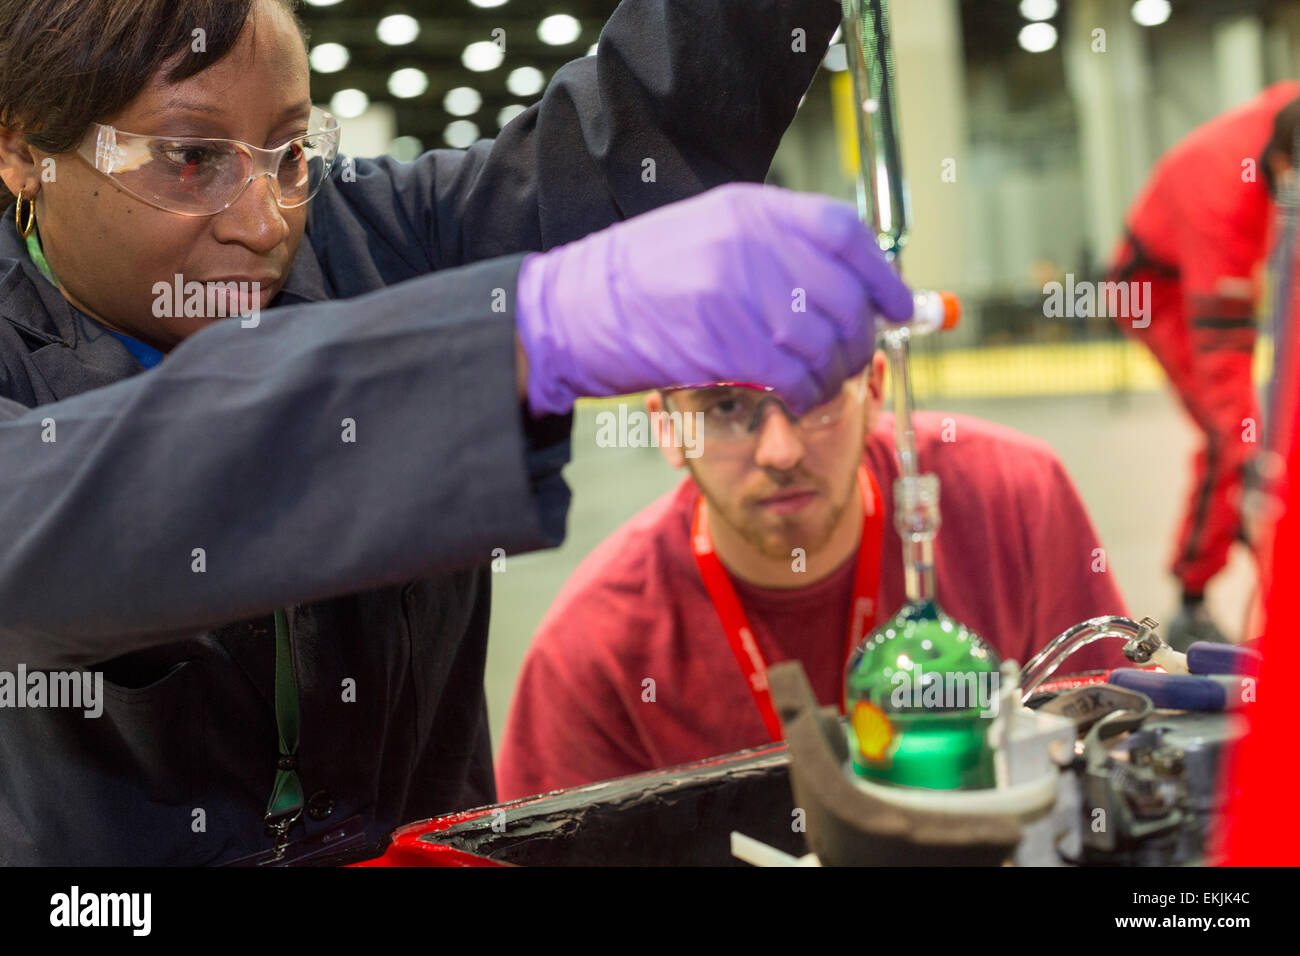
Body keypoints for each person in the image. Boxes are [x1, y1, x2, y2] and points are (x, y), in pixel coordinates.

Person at [0, 0, 914, 865]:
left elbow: (634, 146)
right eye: (192, 159)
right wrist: (519, 331)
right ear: (21, 148)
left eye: (288, 151)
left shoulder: (376, 239)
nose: (265, 220)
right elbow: (46, 517)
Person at [495, 352, 1131, 800]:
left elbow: (1122, 750)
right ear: (667, 427)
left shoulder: (1014, 501)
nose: (781, 451)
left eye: (814, 394)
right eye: (725, 406)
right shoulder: (595, 649)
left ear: (875, 388)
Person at [1105, 82, 1300, 650]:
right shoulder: (1224, 200)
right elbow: (1225, 368)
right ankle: (1192, 598)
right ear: (1285, 168)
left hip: (1234, 258)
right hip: (1154, 287)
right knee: (1234, 436)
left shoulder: (1291, 115)